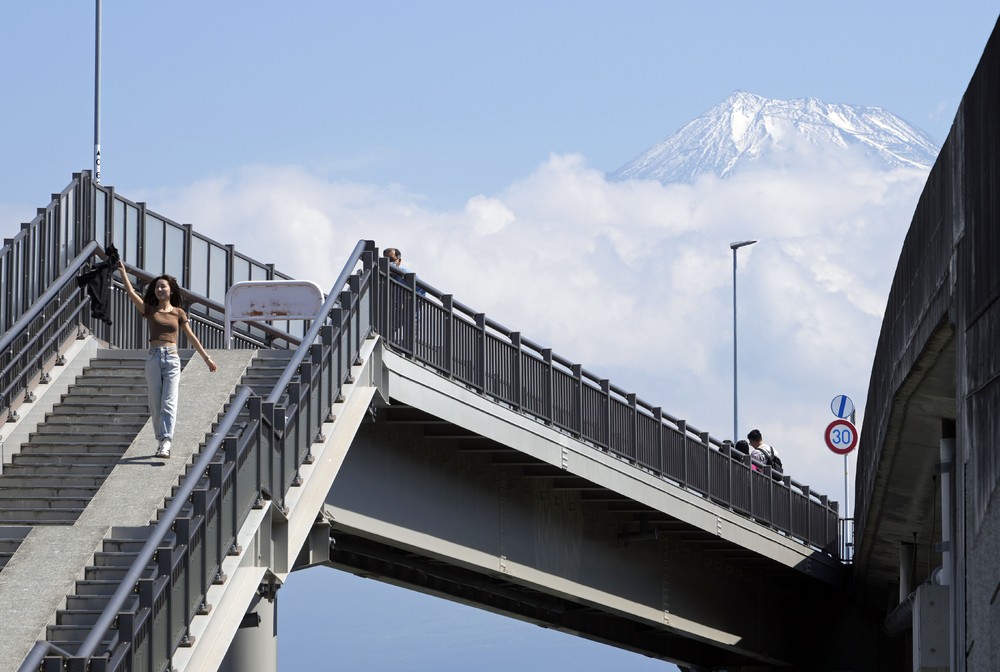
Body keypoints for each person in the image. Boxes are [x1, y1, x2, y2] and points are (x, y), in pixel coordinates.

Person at [118, 261, 218, 458]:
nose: (159, 289)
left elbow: (191, 336)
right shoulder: (150, 310)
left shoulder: (178, 312)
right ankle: (160, 439)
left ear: (171, 290)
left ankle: (166, 441)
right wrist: (123, 273)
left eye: (163, 286)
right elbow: (131, 294)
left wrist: (206, 358)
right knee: (155, 403)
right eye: (157, 287)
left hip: (172, 359)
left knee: (169, 402)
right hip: (154, 358)